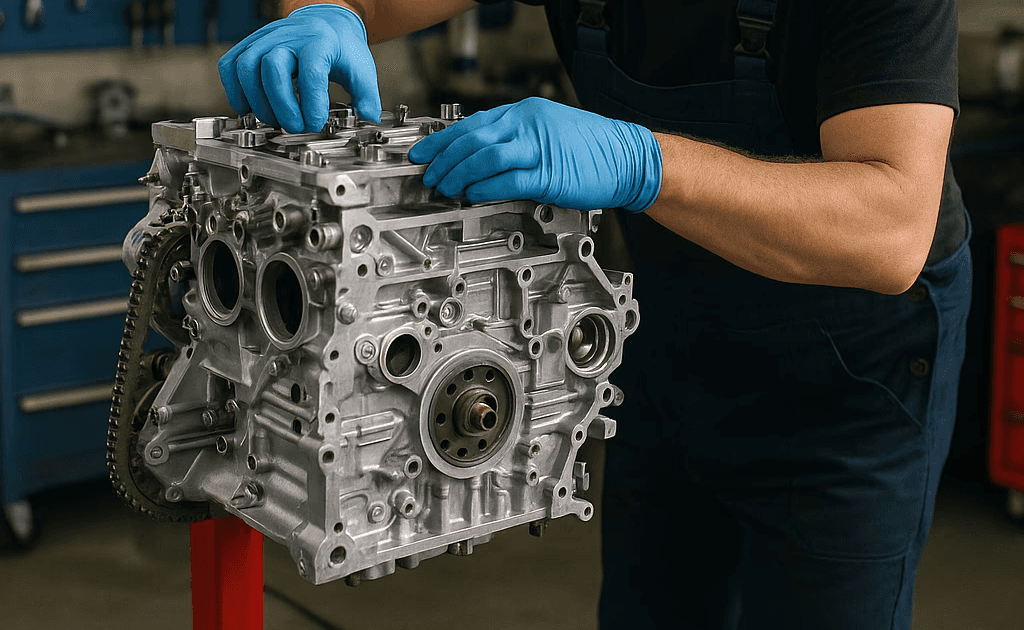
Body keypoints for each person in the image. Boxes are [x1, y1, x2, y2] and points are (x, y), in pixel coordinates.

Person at [218, 1, 972, 628]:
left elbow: (891, 228)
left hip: (845, 376)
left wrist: (644, 162)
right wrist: (324, 12)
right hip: (673, 334)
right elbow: (373, 3)